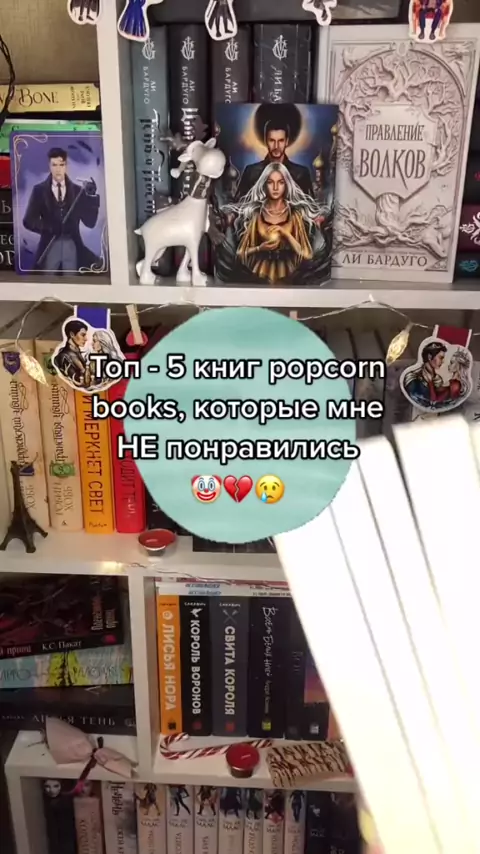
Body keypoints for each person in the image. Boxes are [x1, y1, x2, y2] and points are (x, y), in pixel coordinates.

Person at [226, 162, 326, 285]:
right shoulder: (257, 213)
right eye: (270, 182)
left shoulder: (294, 214)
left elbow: (307, 254)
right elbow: (240, 253)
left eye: (280, 182)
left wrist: (285, 234)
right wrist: (259, 248)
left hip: (290, 273)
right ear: (264, 184)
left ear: (286, 185)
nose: (275, 187)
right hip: (259, 273)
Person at [23, 147, 101, 272]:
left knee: (73, 279)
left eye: (61, 164)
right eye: (54, 165)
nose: (58, 169)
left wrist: (91, 197)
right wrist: (48, 227)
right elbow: (28, 220)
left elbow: (90, 223)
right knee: (47, 279)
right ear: (49, 166)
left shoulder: (78, 191)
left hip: (73, 245)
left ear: (66, 166)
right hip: (49, 245)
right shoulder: (39, 190)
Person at [235, 114, 314, 199]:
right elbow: (239, 204)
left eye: (281, 141)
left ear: (287, 141)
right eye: (272, 140)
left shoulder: (301, 174)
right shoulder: (251, 172)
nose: (276, 146)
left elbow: (310, 205)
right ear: (266, 141)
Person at [53, 319, 90, 388]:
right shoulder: (64, 357)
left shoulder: (76, 353)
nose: (86, 339)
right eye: (83, 335)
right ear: (72, 334)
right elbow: (77, 381)